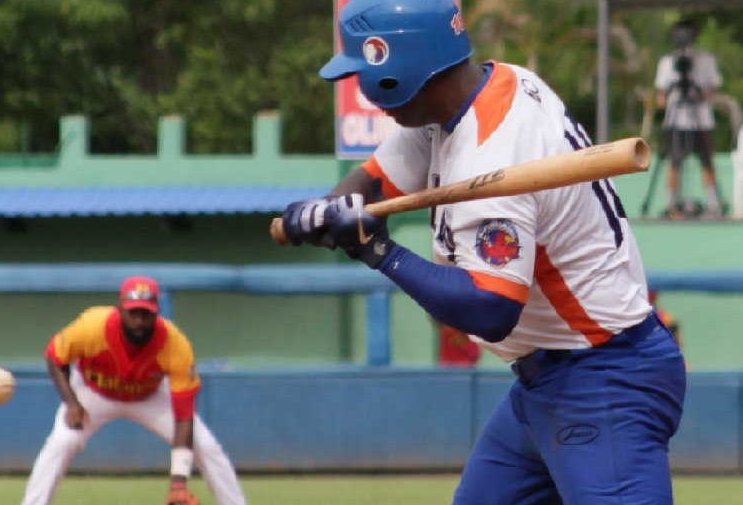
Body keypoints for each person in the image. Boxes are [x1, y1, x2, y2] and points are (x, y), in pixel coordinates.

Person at [281, 1, 686, 503]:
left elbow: (491, 309)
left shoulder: (493, 152)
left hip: (604, 379)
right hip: (547, 381)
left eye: (367, 71)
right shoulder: (476, 94)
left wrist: (379, 251)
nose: (365, 88)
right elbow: (375, 181)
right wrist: (326, 213)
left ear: (400, 68)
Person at [20, 276, 246, 505]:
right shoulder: (92, 326)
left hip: (149, 396)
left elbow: (184, 418)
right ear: (121, 310)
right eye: (133, 313)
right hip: (93, 391)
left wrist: (179, 481)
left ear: (157, 312)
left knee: (206, 446)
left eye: (146, 314)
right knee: (62, 442)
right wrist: (72, 403)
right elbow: (55, 357)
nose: (139, 321)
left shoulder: (175, 345)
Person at [654, 18, 725, 219]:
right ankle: (671, 204)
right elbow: (661, 97)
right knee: (674, 162)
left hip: (701, 120)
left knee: (707, 161)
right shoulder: (667, 62)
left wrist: (699, 93)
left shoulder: (706, 59)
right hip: (676, 121)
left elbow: (713, 88)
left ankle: (714, 205)